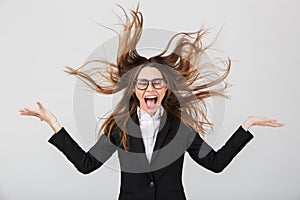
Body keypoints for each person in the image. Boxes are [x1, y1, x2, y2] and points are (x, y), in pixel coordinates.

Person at [19, 4, 284, 200]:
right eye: (142, 83)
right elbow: (86, 165)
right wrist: (54, 125)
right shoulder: (119, 127)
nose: (150, 87)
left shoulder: (182, 129)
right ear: (134, 89)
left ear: (166, 88)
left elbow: (215, 164)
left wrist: (247, 126)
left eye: (157, 82)